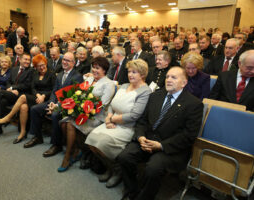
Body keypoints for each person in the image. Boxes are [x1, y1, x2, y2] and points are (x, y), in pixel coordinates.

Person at [118, 66, 203, 200]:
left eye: (174, 77)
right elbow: (142, 121)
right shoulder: (155, 96)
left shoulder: (194, 104)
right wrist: (140, 137)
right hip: (147, 140)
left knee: (153, 168)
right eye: (167, 76)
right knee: (124, 156)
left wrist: (161, 145)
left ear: (184, 82)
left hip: (169, 147)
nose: (168, 80)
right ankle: (132, 191)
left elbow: (188, 135)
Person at [86, 59, 151, 188]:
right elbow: (111, 105)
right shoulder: (125, 85)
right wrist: (109, 117)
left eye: (134, 72)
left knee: (102, 144)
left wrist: (111, 119)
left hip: (127, 127)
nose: (130, 75)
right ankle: (110, 167)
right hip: (112, 121)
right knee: (91, 141)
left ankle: (117, 170)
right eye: (129, 71)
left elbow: (134, 115)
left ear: (142, 74)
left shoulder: (145, 91)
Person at [58, 57, 115, 172]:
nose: (94, 70)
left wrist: (82, 110)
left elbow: (102, 105)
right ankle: (76, 150)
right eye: (93, 67)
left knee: (69, 124)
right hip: (82, 111)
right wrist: (76, 107)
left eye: (97, 68)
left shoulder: (108, 84)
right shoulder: (89, 80)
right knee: (63, 123)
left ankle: (67, 156)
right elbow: (79, 94)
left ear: (104, 70)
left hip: (96, 116)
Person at [23, 52, 83, 158]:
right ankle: (38, 137)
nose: (64, 62)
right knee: (34, 109)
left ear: (73, 63)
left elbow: (74, 97)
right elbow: (54, 91)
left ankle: (57, 145)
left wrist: (57, 106)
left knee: (55, 114)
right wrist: (51, 103)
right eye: (63, 59)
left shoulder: (77, 76)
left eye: (68, 60)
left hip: (67, 106)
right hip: (54, 102)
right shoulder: (60, 74)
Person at [0, 55, 56, 144]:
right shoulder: (35, 73)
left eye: (43, 65)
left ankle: (8, 117)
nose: (41, 67)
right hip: (36, 96)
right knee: (23, 106)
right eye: (39, 66)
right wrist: (38, 94)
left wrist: (43, 96)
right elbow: (33, 88)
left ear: (46, 63)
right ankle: (23, 132)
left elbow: (53, 90)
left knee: (23, 98)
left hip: (46, 98)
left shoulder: (51, 74)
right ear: (35, 67)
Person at [0, 54, 33, 139]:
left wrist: (13, 88)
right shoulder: (14, 69)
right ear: (20, 60)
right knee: (2, 101)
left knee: (0, 93)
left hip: (20, 95)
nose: (27, 61)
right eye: (25, 59)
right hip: (11, 93)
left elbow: (27, 85)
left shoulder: (31, 71)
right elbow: (9, 81)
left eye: (29, 60)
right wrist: (10, 88)